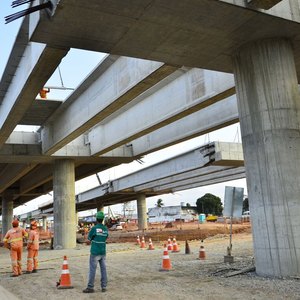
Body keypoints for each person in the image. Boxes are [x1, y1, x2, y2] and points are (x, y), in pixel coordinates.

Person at [83, 211, 109, 293]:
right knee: (103, 269)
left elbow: (89, 238)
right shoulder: (105, 229)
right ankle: (104, 287)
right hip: (103, 251)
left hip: (95, 252)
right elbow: (105, 238)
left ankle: (90, 287)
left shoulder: (94, 228)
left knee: (92, 270)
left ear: (96, 219)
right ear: (102, 219)